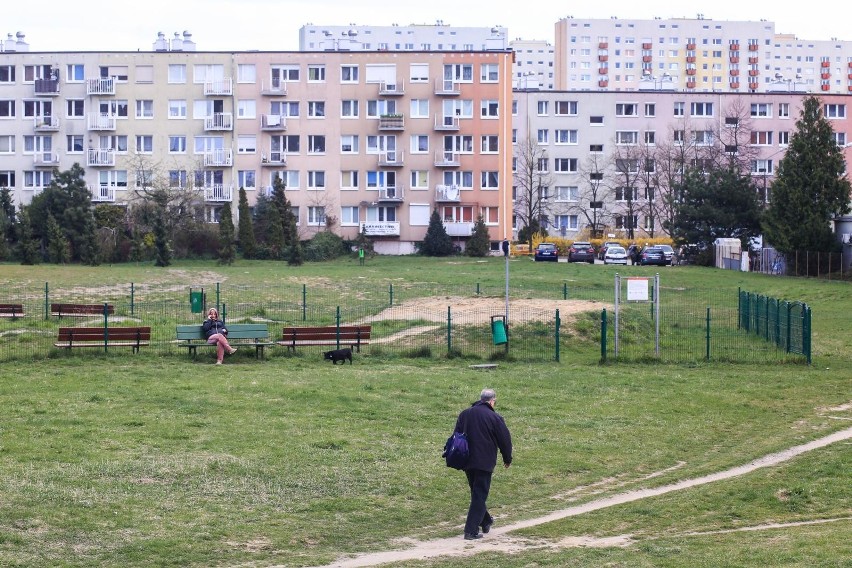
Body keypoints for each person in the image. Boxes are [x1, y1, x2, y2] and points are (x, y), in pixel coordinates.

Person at [453, 388, 513, 540]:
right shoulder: (494, 417)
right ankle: (470, 531)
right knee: (479, 495)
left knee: (476, 493)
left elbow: (456, 436)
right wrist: (507, 459)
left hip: (467, 461)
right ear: (492, 401)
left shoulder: (465, 414)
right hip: (484, 462)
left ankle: (486, 521)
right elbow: (505, 440)